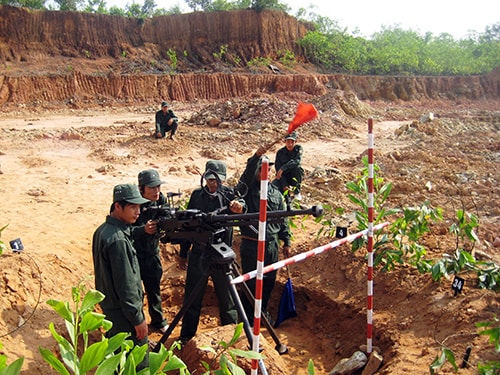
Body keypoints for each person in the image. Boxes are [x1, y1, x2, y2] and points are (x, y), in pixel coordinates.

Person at [178, 160, 245, 343]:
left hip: (222, 253)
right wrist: (184, 252)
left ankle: (231, 338)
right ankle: (186, 337)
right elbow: (187, 225)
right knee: (192, 297)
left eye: (216, 180)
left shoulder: (229, 195)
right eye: (209, 179)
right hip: (199, 253)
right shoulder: (197, 195)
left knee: (228, 299)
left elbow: (242, 204)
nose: (212, 183)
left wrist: (239, 207)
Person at [92, 183, 150, 370]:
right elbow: (126, 284)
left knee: (117, 360)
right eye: (133, 207)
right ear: (118, 206)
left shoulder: (103, 231)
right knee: (138, 364)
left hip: (111, 310)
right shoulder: (118, 240)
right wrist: (137, 319)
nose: (138, 211)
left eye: (139, 207)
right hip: (125, 314)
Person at [238, 147, 292, 323]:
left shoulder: (275, 193)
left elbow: (282, 219)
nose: (266, 172)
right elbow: (247, 174)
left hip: (271, 245)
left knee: (269, 280)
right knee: (251, 281)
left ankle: (262, 312)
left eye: (268, 169)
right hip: (252, 244)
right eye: (262, 168)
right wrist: (256, 156)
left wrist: (287, 241)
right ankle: (246, 315)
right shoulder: (247, 189)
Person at [132, 169, 169, 333]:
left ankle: (158, 321)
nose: (156, 191)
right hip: (135, 255)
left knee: (154, 289)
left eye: (158, 186)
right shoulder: (134, 204)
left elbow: (167, 215)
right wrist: (143, 230)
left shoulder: (160, 200)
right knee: (135, 292)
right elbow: (126, 230)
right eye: (152, 188)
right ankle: (138, 323)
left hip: (152, 253)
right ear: (142, 189)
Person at [273, 131, 304, 201]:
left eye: (292, 142)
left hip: (294, 176)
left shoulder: (298, 149)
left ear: (295, 142)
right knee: (274, 185)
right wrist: (284, 184)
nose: (290, 144)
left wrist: (284, 168)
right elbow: (278, 170)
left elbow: (297, 161)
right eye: (288, 142)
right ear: (285, 142)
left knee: (298, 168)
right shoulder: (280, 153)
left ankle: (297, 192)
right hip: (284, 177)